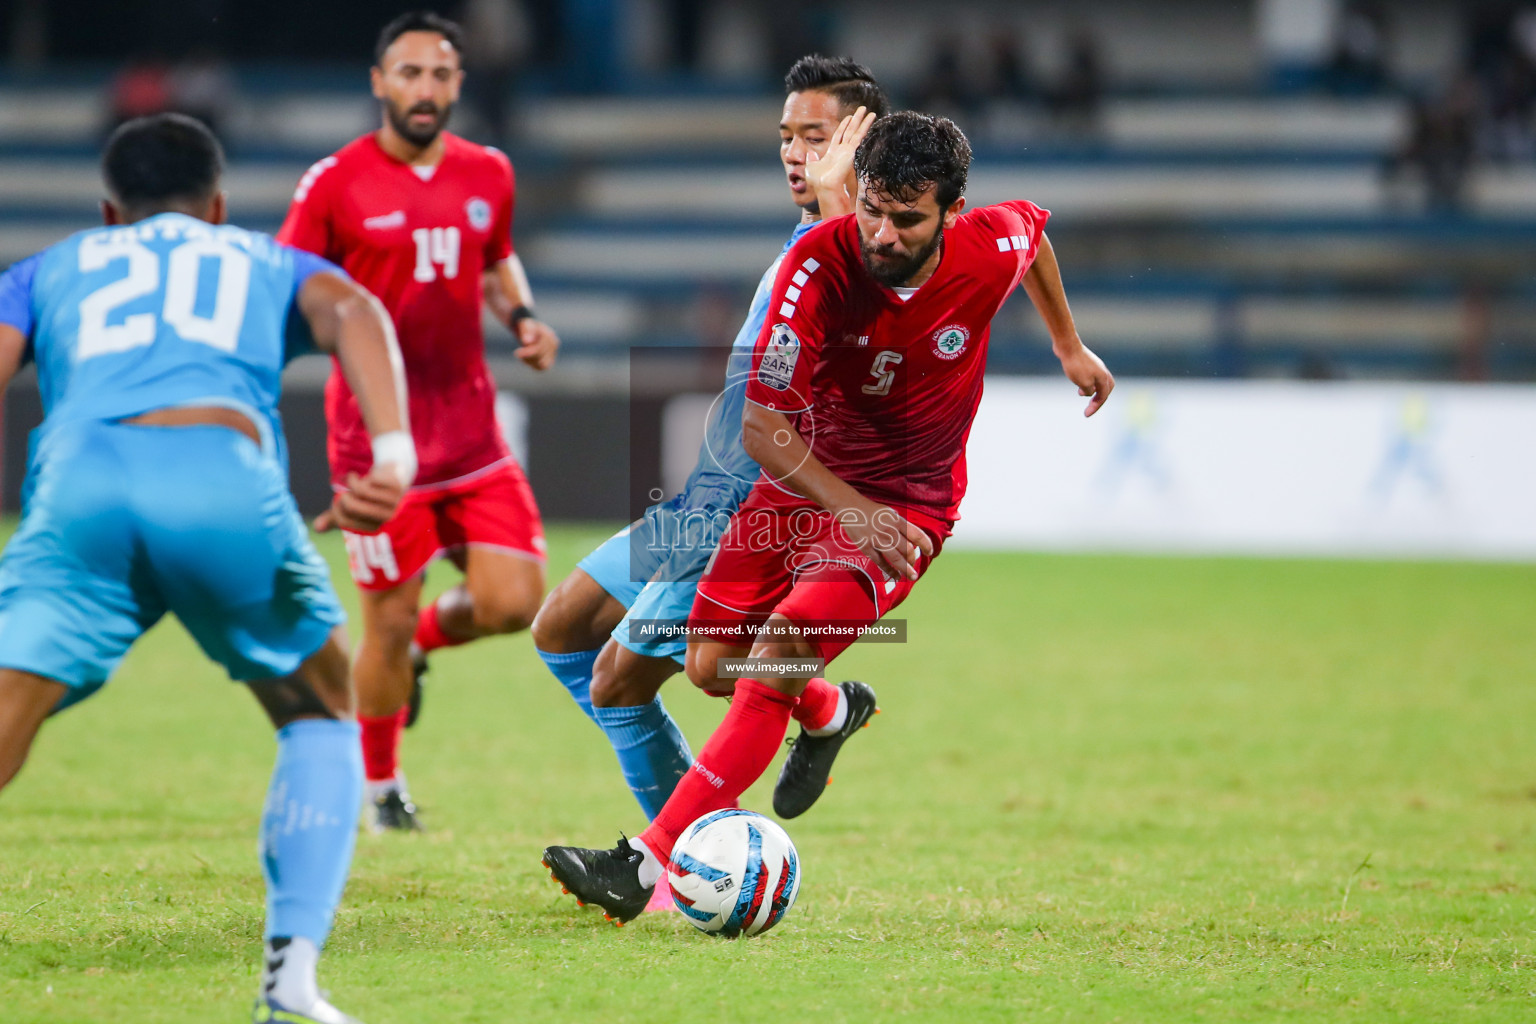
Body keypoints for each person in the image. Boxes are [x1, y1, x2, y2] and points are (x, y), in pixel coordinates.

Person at [542, 111, 1115, 923]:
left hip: (909, 507)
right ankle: (830, 709)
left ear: (953, 211)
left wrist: (1069, 343)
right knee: (711, 668)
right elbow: (760, 426)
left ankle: (644, 863)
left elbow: (1035, 236)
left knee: (779, 650)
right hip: (802, 488)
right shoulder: (817, 265)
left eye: (906, 218)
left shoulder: (991, 246)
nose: (881, 232)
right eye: (873, 208)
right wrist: (855, 513)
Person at [0, 113, 412, 1024]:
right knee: (321, 711)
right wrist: (391, 458)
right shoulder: (262, 260)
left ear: (112, 212)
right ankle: (290, 983)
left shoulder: (51, 267)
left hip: (81, 486)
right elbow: (356, 312)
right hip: (218, 479)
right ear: (219, 206)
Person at [530, 56, 886, 910]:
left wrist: (845, 193)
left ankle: (676, 869)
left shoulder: (860, 250)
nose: (796, 155)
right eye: (787, 138)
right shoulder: (807, 240)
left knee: (626, 678)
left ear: (857, 146)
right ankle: (827, 708)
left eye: (817, 137)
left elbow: (863, 341)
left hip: (740, 512)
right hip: (699, 503)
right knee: (562, 628)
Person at [277, 11, 560, 832]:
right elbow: (288, 282)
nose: (425, 90)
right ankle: (380, 786)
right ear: (379, 82)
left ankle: (426, 648)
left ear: (459, 85)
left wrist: (525, 316)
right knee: (384, 623)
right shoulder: (334, 184)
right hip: (376, 448)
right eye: (409, 74)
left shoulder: (489, 173)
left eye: (440, 75)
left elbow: (498, 255)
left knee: (513, 603)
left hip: (471, 434)